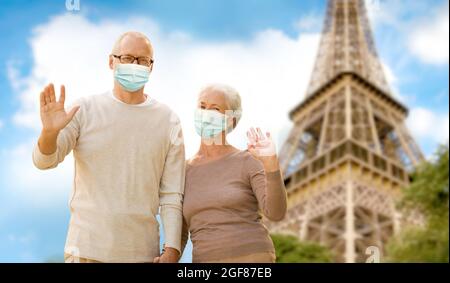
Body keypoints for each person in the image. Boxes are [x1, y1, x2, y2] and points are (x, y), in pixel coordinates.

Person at [32, 31, 185, 263]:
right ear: (111, 61)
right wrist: (49, 132)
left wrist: (172, 250)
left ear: (151, 67)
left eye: (143, 60)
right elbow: (44, 161)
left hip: (142, 254)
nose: (135, 65)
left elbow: (172, 194)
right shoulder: (84, 110)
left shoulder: (168, 120)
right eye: (127, 57)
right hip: (85, 251)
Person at [178, 84, 287, 263]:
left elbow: (276, 213)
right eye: (202, 106)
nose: (206, 113)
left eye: (215, 109)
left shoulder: (247, 161)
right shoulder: (182, 171)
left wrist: (271, 166)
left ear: (231, 120)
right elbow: (180, 232)